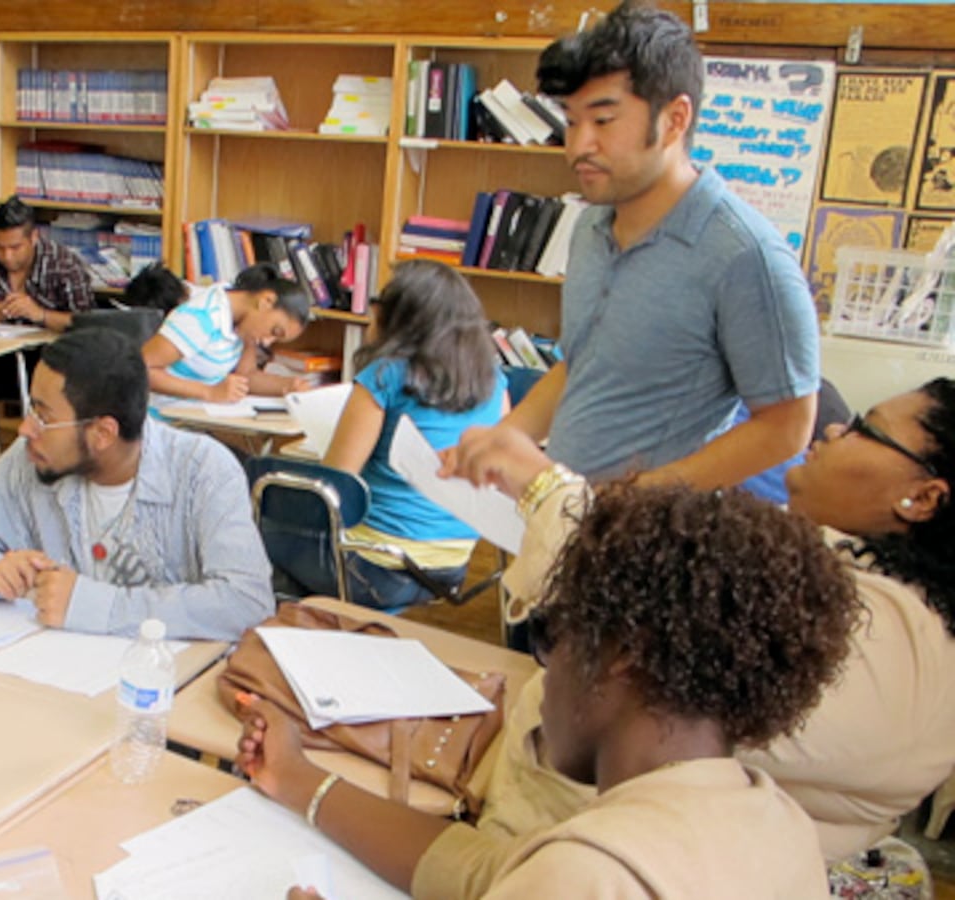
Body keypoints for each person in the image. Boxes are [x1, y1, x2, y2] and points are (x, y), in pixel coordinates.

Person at [425, 379, 955, 895]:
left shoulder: (894, 646)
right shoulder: (853, 587)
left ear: (923, 497)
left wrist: (543, 487)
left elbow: (652, 595)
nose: (837, 428)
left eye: (867, 428)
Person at [240, 482, 860, 899]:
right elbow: (492, 871)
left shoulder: (591, 874)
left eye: (553, 632)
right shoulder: (776, 823)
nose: (544, 671)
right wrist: (296, 778)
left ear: (622, 653)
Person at [453, 2, 819, 489]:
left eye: (603, 121)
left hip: (652, 543)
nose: (578, 145)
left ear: (675, 119)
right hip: (565, 523)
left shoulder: (746, 255)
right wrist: (508, 436)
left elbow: (787, 426)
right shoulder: (590, 227)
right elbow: (585, 363)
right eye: (571, 119)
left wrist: (634, 502)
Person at [0, 328, 274, 641]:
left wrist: (94, 606)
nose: (26, 428)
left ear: (103, 433)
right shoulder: (33, 456)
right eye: (30, 409)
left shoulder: (203, 471)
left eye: (43, 415)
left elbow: (246, 602)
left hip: (160, 689)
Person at [262, 261, 506, 609]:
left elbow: (334, 485)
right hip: (450, 567)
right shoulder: (495, 381)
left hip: (374, 566)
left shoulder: (386, 375)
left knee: (255, 524)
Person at [0, 195, 95, 475]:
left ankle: (39, 468)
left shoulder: (63, 264)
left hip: (52, 361)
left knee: (49, 397)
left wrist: (40, 314)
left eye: (15, 247)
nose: (7, 256)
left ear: (34, 238)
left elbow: (87, 323)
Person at [141, 262, 314, 408]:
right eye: (274, 332)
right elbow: (141, 370)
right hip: (162, 426)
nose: (268, 342)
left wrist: (288, 386)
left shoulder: (243, 326)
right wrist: (209, 392)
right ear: (266, 301)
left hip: (196, 423)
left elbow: (246, 377)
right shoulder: (202, 317)